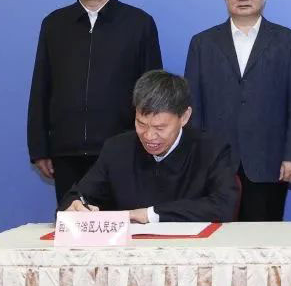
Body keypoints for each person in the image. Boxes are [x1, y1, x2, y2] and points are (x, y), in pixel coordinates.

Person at [27, 0, 162, 204]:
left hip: (124, 150)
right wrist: (39, 148)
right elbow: (41, 87)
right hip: (66, 152)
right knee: (73, 225)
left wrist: (150, 141)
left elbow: (152, 92)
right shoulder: (55, 24)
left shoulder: (138, 23)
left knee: (122, 226)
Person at [184, 0, 291, 221]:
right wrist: (195, 160)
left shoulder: (289, 42)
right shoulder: (202, 43)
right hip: (215, 164)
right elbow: (193, 107)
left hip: (270, 163)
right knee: (218, 237)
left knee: (264, 239)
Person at [59, 71, 237, 222]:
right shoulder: (117, 149)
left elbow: (224, 206)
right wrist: (74, 205)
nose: (149, 136)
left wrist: (149, 215)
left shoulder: (210, 150)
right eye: (141, 124)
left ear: (184, 117)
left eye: (160, 127)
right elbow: (77, 195)